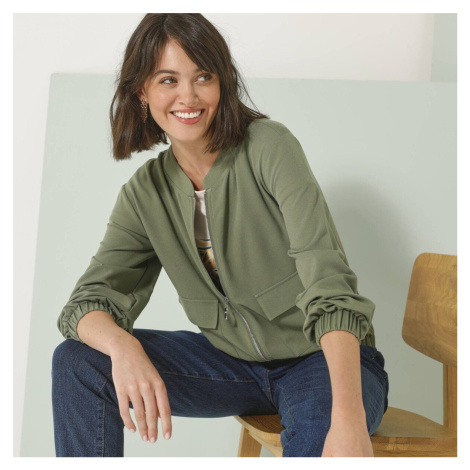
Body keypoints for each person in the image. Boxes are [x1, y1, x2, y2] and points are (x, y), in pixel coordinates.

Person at [51, 13, 389, 457]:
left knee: (320, 440)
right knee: (78, 360)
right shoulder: (145, 193)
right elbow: (85, 305)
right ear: (142, 93)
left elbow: (330, 286)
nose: (188, 96)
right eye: (168, 80)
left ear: (223, 83)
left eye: (203, 76)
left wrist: (348, 418)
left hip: (321, 363)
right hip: (233, 367)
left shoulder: (269, 147)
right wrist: (122, 345)